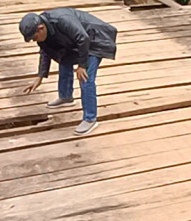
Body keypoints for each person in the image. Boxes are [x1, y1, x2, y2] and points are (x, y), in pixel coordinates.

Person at [19, 8, 118, 136]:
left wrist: (82, 65)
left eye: (34, 37)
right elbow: (45, 51)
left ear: (41, 28)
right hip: (77, 42)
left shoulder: (61, 20)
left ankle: (90, 119)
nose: (34, 40)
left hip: (96, 39)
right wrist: (40, 76)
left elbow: (83, 38)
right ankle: (66, 96)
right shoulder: (45, 32)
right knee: (64, 61)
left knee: (85, 77)